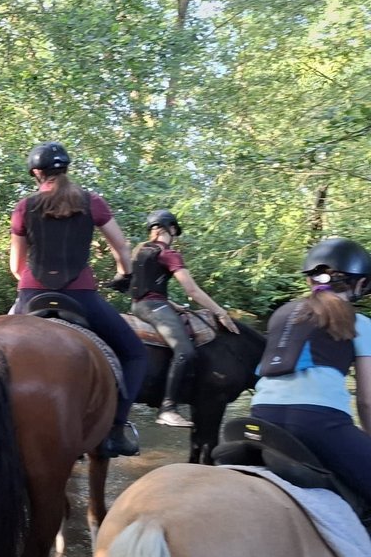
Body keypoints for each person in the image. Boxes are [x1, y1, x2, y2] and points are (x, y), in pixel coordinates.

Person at [10, 141, 147, 457]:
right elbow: (122, 247)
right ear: (67, 169)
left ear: (36, 173)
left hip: (31, 295)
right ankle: (115, 430)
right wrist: (124, 274)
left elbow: (17, 266)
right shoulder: (92, 202)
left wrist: (31, 287)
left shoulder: (24, 207)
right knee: (135, 353)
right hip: (81, 295)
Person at [250, 237, 371, 504]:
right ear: (361, 283)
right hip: (318, 423)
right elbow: (366, 401)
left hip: (261, 416)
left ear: (309, 280)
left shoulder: (282, 314)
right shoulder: (360, 323)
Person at [130, 209, 240, 428]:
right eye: (175, 231)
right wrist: (221, 312)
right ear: (170, 229)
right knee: (185, 351)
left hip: (140, 306)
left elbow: (143, 288)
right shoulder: (168, 254)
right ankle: (168, 409)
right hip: (154, 307)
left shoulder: (140, 251)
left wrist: (172, 305)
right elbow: (192, 291)